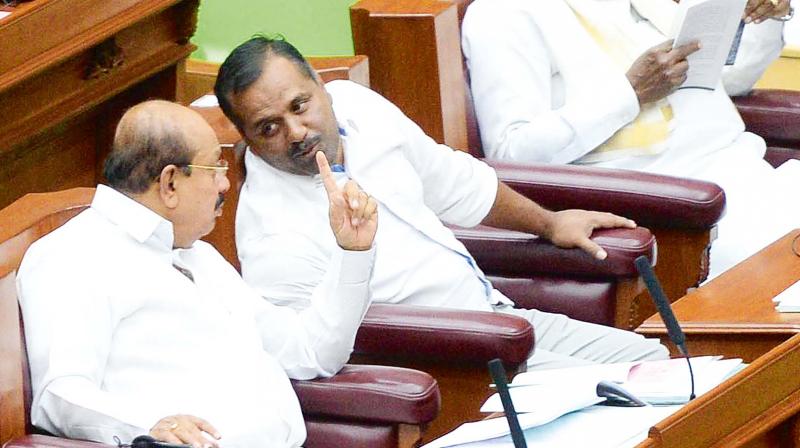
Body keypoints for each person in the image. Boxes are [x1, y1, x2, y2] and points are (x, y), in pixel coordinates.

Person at [212, 36, 668, 370]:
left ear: (321, 85)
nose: (296, 132)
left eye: (300, 105)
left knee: (659, 364)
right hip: (449, 361)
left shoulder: (357, 104)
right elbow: (312, 356)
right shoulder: (270, 232)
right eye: (268, 127)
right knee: (627, 396)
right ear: (246, 137)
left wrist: (550, 224)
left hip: (499, 314)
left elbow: (454, 182)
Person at [16, 100, 378, 448]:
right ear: (170, 183)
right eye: (215, 169)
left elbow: (309, 352)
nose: (225, 185)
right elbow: (60, 395)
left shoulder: (197, 255)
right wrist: (149, 425)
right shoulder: (76, 256)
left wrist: (353, 253)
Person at [462, 0, 799, 279]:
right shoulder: (504, 13)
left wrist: (765, 19)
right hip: (675, 207)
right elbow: (511, 153)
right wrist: (630, 93)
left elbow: (728, 80)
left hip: (749, 175)